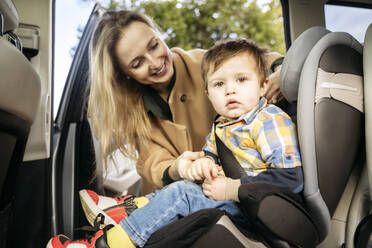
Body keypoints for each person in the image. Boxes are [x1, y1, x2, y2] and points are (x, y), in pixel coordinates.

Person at [47, 38, 303, 248]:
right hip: (235, 201)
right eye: (219, 84)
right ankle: (126, 212)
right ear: (208, 94)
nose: (230, 90)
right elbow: (205, 158)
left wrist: (232, 188)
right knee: (184, 185)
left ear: (264, 85)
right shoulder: (222, 126)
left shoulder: (267, 120)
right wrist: (200, 166)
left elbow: (291, 178)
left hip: (256, 210)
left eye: (241, 80)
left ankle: (105, 245)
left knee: (182, 194)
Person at [86, 10, 284, 195]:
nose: (155, 63)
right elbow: (152, 161)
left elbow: (262, 61)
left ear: (159, 34)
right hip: (168, 193)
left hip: (220, 186)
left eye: (154, 45)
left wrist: (281, 71)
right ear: (124, 74)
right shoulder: (132, 107)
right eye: (138, 63)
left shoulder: (203, 64)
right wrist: (178, 168)